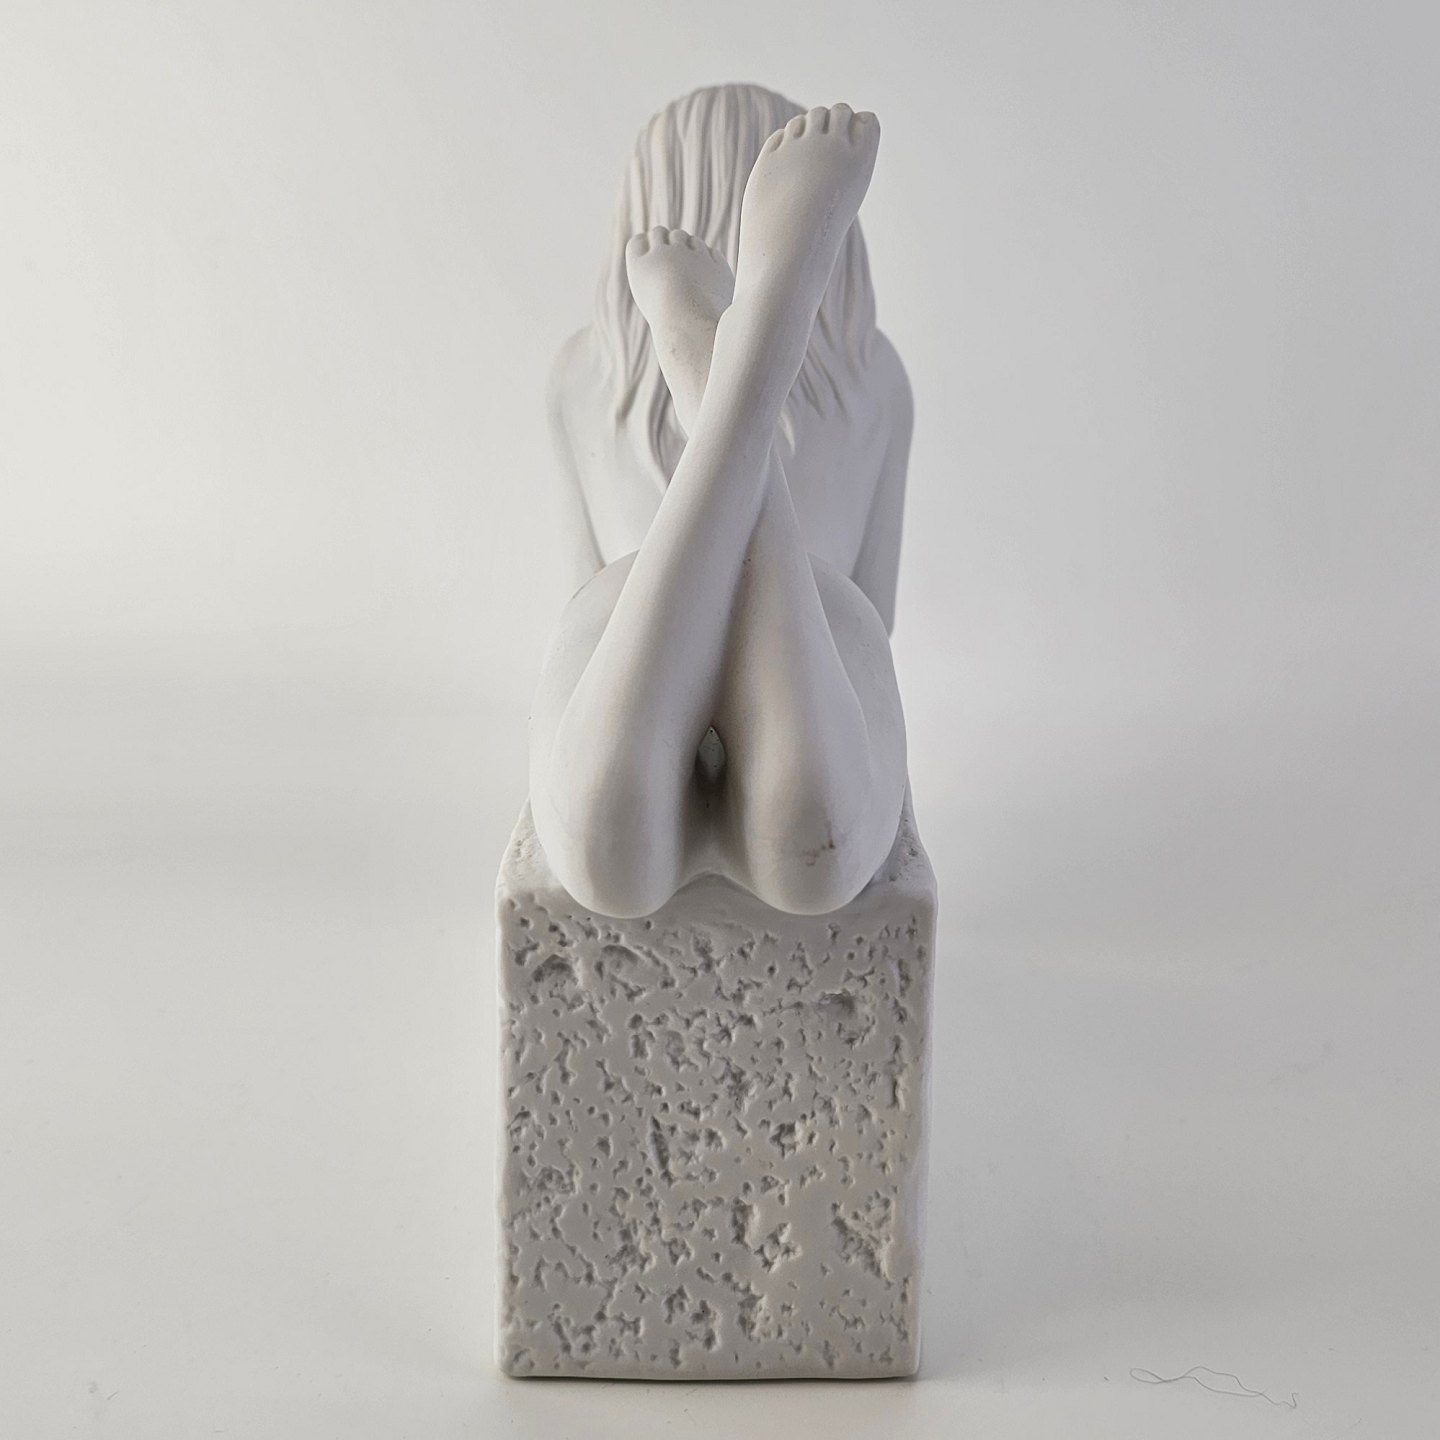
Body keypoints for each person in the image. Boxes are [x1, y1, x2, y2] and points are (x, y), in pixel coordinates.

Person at [530, 85, 913, 919]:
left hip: (630, 624)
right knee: (813, 848)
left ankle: (708, 366)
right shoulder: (877, 381)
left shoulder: (580, 380)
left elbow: (574, 598)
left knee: (607, 849)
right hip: (813, 632)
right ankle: (756, 337)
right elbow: (876, 613)